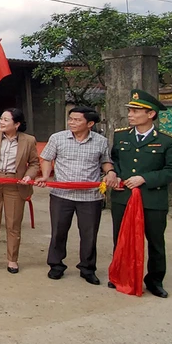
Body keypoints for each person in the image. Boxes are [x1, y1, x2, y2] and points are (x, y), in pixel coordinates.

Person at [107, 89, 172, 298]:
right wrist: (112, 172)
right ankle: (121, 275)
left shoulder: (168, 140)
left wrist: (146, 178)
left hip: (152, 198)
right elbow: (114, 160)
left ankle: (155, 280)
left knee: (156, 241)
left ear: (150, 114)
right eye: (130, 111)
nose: (130, 115)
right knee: (121, 238)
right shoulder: (121, 135)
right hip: (123, 197)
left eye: (135, 111)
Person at [37, 107, 115, 285]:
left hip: (90, 197)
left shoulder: (101, 141)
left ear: (90, 124)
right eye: (70, 119)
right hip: (61, 195)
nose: (71, 122)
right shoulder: (58, 138)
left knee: (89, 234)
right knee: (58, 232)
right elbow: (47, 158)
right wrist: (45, 175)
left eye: (77, 120)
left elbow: (105, 161)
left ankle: (87, 269)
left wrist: (110, 173)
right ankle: (56, 265)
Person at [0, 108, 40, 274]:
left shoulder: (29, 140)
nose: (1, 122)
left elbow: (34, 163)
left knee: (13, 224)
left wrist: (28, 176)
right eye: (1, 119)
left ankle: (12, 260)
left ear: (17, 124)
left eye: (5, 120)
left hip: (15, 183)